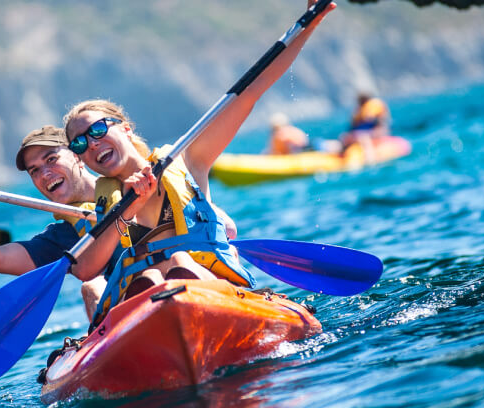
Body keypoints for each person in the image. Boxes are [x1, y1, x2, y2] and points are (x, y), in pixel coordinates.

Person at [63, 0, 334, 325]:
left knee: (179, 261)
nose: (92, 143)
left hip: (211, 292)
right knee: (144, 279)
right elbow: (86, 270)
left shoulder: (188, 161)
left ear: (124, 127)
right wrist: (128, 210)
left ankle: (175, 295)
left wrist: (307, 26)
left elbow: (249, 93)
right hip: (148, 309)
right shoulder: (106, 208)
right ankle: (158, 305)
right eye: (79, 143)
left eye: (97, 129)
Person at [0, 126, 107, 318]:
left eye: (51, 159)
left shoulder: (129, 185)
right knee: (92, 288)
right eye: (34, 171)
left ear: (76, 156)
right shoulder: (63, 237)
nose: (45, 174)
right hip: (125, 305)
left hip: (145, 279)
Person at [340, 91, 391, 162]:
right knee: (344, 137)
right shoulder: (358, 111)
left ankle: (370, 158)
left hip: (375, 132)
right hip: (361, 132)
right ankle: (342, 154)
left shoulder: (375, 106)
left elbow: (379, 123)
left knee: (363, 137)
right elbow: (353, 126)